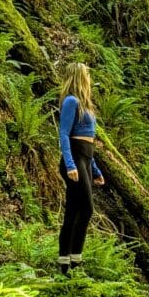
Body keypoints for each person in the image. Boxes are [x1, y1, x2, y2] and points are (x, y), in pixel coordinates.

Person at [56, 61, 104, 275]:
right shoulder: (70, 101)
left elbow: (89, 144)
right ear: (79, 77)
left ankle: (67, 266)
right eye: (86, 74)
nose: (89, 78)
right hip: (74, 159)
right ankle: (72, 264)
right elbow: (64, 134)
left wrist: (96, 171)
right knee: (87, 209)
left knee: (74, 212)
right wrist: (70, 165)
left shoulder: (86, 105)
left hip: (84, 158)